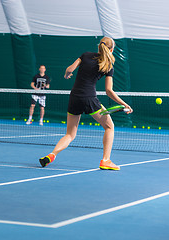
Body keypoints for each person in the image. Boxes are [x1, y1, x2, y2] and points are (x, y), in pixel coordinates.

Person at [39, 37, 133, 170]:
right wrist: (125, 104)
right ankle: (105, 160)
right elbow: (109, 91)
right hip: (89, 98)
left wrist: (67, 74)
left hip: (74, 97)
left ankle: (52, 154)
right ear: (111, 50)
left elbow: (70, 69)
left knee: (70, 134)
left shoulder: (86, 55)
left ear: (99, 46)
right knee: (109, 127)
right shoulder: (108, 65)